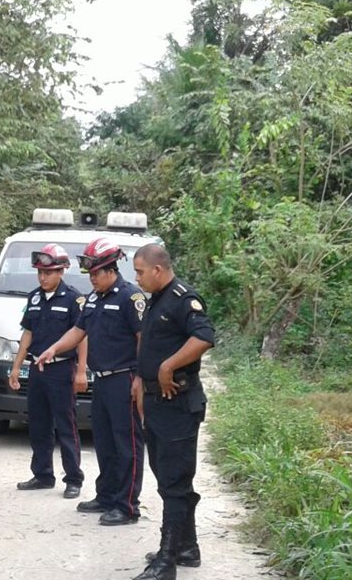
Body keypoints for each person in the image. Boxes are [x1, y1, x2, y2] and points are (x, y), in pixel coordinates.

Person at [36, 237, 144, 526]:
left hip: (125, 379)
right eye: (90, 274)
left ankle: (128, 505)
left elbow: (143, 340)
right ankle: (107, 495)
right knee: (105, 443)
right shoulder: (94, 298)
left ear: (111, 269)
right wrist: (54, 349)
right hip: (103, 382)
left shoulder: (130, 297)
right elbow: (78, 330)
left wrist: (142, 379)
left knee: (128, 444)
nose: (92, 279)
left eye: (96, 273)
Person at [131, 244, 214, 580]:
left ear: (158, 269)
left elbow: (204, 337)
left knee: (175, 480)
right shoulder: (156, 300)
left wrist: (167, 366)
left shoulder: (183, 298)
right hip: (157, 401)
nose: (136, 278)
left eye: (139, 272)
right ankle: (186, 547)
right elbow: (151, 344)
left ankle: (166, 562)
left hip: (178, 401)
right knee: (168, 477)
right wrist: (142, 377)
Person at [8, 243, 87, 499]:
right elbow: (27, 333)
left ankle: (73, 478)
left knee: (66, 425)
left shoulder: (75, 299)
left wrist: (81, 371)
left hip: (63, 369)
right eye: (40, 272)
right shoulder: (33, 297)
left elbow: (82, 337)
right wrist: (17, 366)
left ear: (62, 270)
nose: (43, 277)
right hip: (37, 371)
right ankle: (43, 474)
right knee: (38, 424)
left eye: (49, 272)